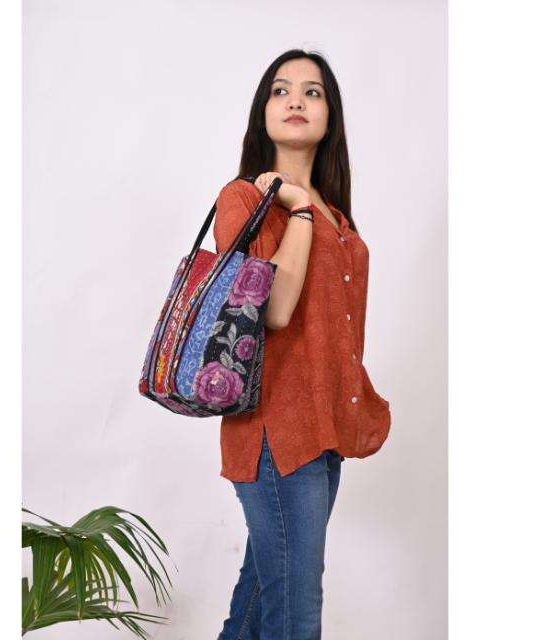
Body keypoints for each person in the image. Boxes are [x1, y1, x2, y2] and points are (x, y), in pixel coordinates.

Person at [214, 49, 391, 639]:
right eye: (281, 90)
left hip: (325, 429)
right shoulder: (245, 199)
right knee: (295, 615)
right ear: (262, 111)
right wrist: (297, 212)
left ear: (329, 114)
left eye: (312, 92)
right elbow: (275, 311)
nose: (296, 100)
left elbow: (340, 332)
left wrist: (311, 207)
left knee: (258, 606)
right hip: (276, 431)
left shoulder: (339, 216)